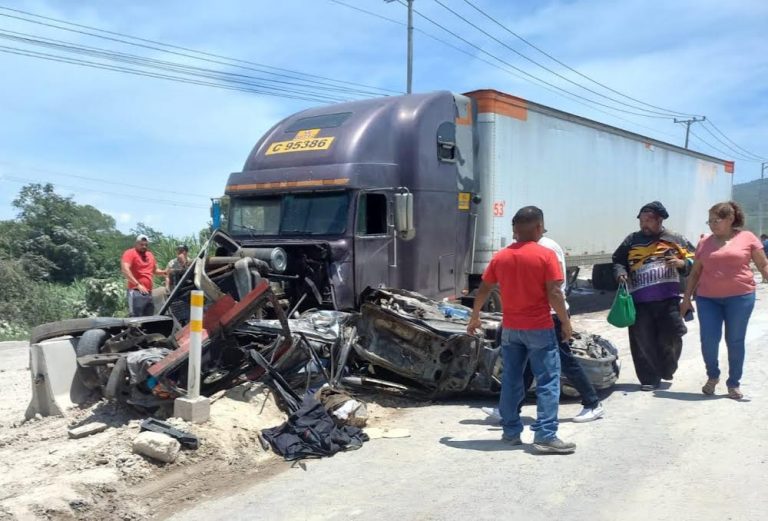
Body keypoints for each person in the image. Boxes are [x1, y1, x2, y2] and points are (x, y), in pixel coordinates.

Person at [468, 206, 576, 454]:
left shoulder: (501, 257)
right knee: (547, 381)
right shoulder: (545, 255)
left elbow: (484, 289)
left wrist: (474, 317)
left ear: (515, 229)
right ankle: (545, 435)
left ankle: (510, 432)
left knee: (511, 379)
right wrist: (566, 322)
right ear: (538, 227)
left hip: (511, 329)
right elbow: (554, 292)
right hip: (539, 328)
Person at [481, 234, 605, 423]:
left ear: (535, 226)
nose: (515, 235)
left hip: (550, 315)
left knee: (564, 361)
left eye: (518, 229)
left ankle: (593, 403)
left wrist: (564, 321)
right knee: (528, 366)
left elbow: (555, 288)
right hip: (537, 316)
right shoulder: (530, 247)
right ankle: (510, 409)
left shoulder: (547, 247)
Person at [680, 202, 768, 400]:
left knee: (735, 340)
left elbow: (763, 265)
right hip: (707, 299)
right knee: (708, 340)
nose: (712, 225)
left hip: (740, 298)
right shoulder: (704, 242)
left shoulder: (747, 237)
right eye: (709, 221)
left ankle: (733, 383)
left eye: (716, 220)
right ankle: (713, 376)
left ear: (730, 219)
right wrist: (686, 299)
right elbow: (695, 273)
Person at [612, 201, 695, 391]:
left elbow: (696, 259)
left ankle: (667, 368)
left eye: (648, 220)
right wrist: (620, 273)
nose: (644, 224)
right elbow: (618, 260)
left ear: (660, 220)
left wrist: (682, 264)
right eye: (641, 221)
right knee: (643, 341)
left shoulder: (675, 238)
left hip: (668, 299)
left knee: (673, 335)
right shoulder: (632, 240)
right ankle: (649, 378)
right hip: (639, 301)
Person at [121, 234, 165, 317]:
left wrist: (165, 272)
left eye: (146, 245)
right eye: (141, 244)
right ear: (136, 244)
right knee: (136, 320)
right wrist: (138, 285)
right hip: (136, 292)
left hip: (149, 293)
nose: (144, 246)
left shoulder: (150, 255)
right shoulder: (130, 253)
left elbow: (155, 270)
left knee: (148, 320)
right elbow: (125, 270)